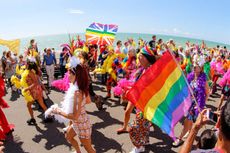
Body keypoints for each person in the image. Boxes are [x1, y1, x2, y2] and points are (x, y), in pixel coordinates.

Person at [51, 61, 96, 153]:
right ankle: (78, 152)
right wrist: (79, 106)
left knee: (89, 149)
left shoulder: (77, 92)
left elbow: (74, 116)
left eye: (70, 73)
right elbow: (88, 101)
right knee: (68, 136)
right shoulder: (80, 87)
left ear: (77, 76)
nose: (68, 75)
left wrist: (58, 111)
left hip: (82, 125)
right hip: (78, 122)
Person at [173, 62, 209, 147]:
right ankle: (190, 133)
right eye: (194, 66)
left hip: (197, 104)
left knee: (187, 121)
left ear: (201, 68)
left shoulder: (203, 78)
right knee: (190, 121)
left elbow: (207, 91)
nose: (195, 67)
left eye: (197, 66)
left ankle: (180, 138)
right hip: (189, 102)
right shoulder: (190, 76)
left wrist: (202, 103)